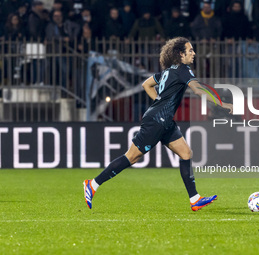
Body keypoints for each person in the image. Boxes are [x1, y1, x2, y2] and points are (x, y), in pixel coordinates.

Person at [83, 37, 233, 211]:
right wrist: (222, 104)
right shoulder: (184, 70)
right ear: (180, 54)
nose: (194, 53)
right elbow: (198, 90)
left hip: (163, 119)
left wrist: (160, 103)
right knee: (132, 157)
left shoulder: (169, 71)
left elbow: (146, 84)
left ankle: (195, 199)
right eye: (190, 50)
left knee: (186, 153)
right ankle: (92, 184)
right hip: (157, 121)